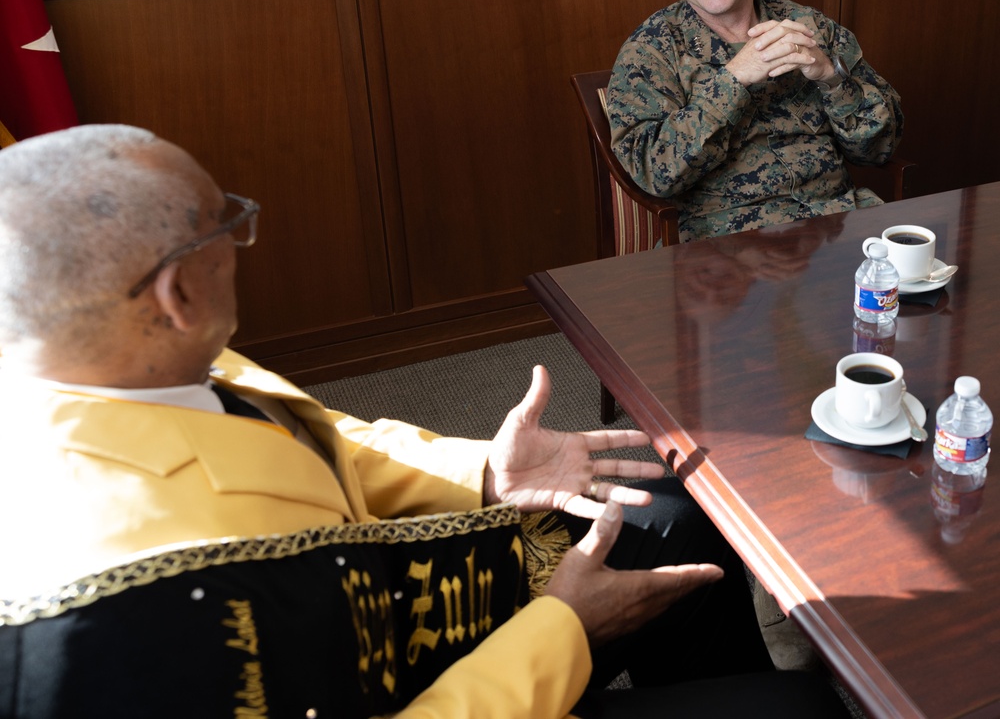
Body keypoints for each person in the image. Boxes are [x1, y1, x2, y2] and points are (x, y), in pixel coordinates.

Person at [0, 125, 849, 718]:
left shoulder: (110, 361)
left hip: (377, 600)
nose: (240, 231)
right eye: (227, 221)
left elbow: (312, 440)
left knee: (667, 498)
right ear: (177, 294)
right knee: (797, 703)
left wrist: (481, 472)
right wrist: (568, 632)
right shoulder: (131, 616)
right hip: (412, 677)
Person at [607, 0, 903, 243]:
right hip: (728, 251)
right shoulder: (650, 51)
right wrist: (734, 79)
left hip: (838, 228)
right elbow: (657, 173)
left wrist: (831, 78)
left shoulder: (810, 27)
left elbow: (881, 148)